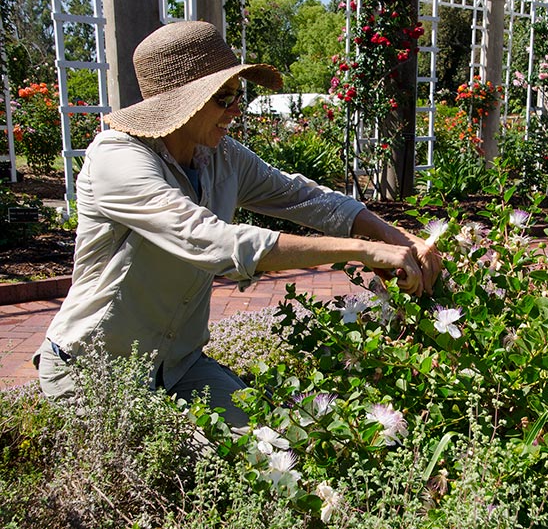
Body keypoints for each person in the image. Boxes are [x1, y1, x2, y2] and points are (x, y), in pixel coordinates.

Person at [33, 21, 441, 427]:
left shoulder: (221, 155)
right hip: (93, 372)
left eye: (237, 95)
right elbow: (209, 241)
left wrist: (396, 236)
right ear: (181, 103)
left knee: (273, 444)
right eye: (223, 97)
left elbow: (306, 197)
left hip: (179, 367)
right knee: (192, 470)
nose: (235, 109)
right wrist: (362, 250)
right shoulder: (117, 158)